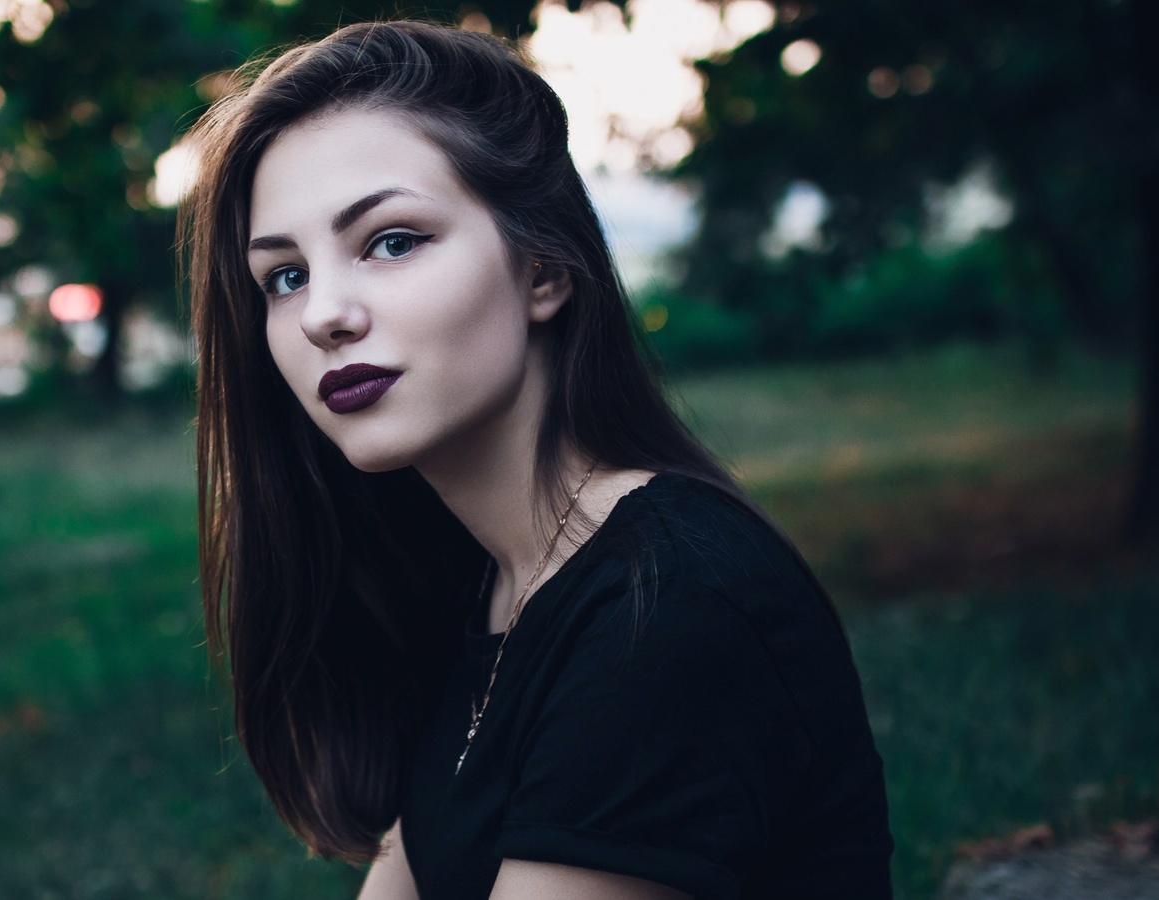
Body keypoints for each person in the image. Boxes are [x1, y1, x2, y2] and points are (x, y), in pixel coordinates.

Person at [181, 20, 893, 900]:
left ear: (543, 270)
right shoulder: (481, 581)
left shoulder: (667, 604)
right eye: (283, 276)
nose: (324, 311)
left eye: (392, 240)